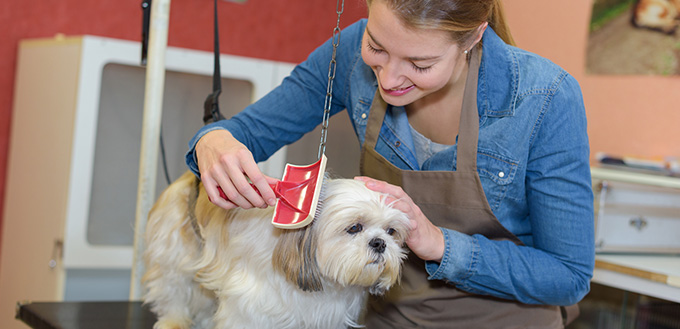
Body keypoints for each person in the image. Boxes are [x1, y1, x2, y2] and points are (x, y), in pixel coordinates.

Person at [185, 0, 595, 327]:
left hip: (503, 321)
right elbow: (247, 132)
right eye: (377, 48)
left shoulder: (544, 99)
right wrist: (213, 140)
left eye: (420, 65)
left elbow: (569, 276)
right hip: (385, 314)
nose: (389, 78)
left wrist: (441, 245)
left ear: (472, 38)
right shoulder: (348, 52)